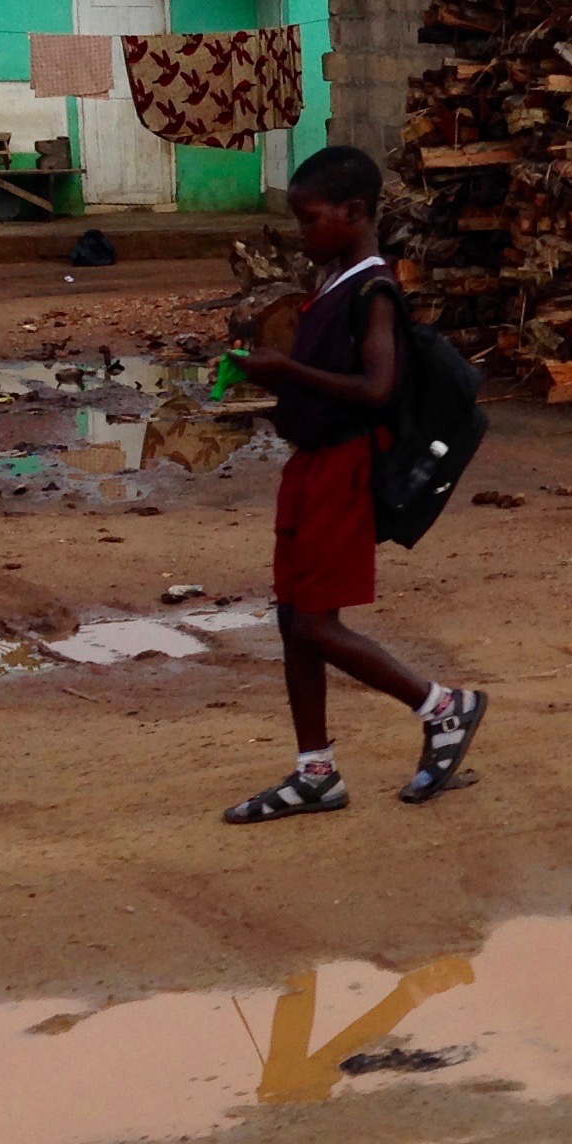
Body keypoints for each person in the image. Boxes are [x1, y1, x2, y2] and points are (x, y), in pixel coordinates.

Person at [220, 144, 484, 822]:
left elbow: (376, 387)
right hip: (309, 466)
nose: (303, 235)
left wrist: (289, 374)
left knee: (315, 622)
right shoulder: (333, 279)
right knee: (292, 619)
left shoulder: (375, 289)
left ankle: (442, 706)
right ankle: (316, 772)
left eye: (310, 221)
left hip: (344, 467)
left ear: (354, 213)